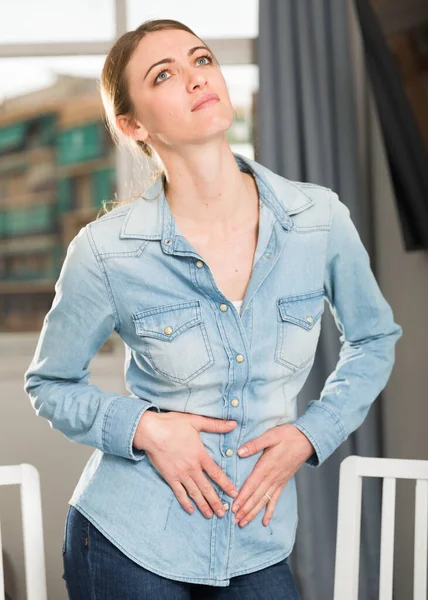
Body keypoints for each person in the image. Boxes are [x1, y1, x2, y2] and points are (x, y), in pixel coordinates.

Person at [23, 18, 403, 600]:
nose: (196, 78)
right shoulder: (105, 252)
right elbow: (50, 383)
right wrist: (148, 429)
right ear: (133, 124)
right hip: (132, 538)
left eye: (201, 60)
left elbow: (374, 339)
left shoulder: (318, 219)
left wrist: (310, 435)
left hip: (258, 539)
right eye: (164, 75)